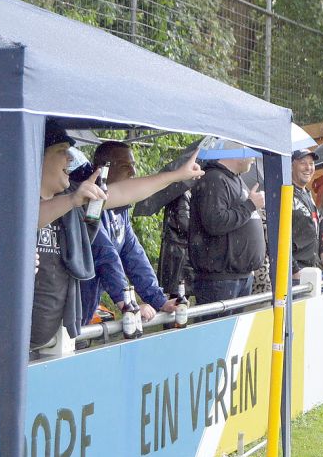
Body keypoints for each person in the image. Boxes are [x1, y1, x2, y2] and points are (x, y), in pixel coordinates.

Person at [32, 124, 202, 348]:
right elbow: (105, 255)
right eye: (61, 151)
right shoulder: (34, 201)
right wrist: (126, 303)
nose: (70, 159)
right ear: (36, 156)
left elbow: (126, 197)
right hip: (19, 341)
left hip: (62, 332)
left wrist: (177, 175)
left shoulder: (82, 200)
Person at [80, 142, 179, 326]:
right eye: (126, 166)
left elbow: (133, 254)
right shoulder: (88, 204)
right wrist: (127, 302)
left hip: (85, 306)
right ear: (103, 169)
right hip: (68, 305)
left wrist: (159, 300)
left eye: (133, 166)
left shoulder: (119, 208)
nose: (133, 173)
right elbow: (104, 254)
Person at [187, 153, 266, 304]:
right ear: (236, 152)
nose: (253, 159)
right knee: (218, 327)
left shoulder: (235, 179)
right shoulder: (214, 179)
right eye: (250, 154)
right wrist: (250, 206)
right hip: (220, 280)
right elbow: (215, 223)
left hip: (240, 277)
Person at [291, 149, 321, 277]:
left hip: (311, 268)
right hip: (296, 271)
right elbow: (278, 236)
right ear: (291, 165)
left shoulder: (307, 193)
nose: (308, 167)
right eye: (303, 163)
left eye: (311, 163)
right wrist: (294, 269)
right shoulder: (285, 193)